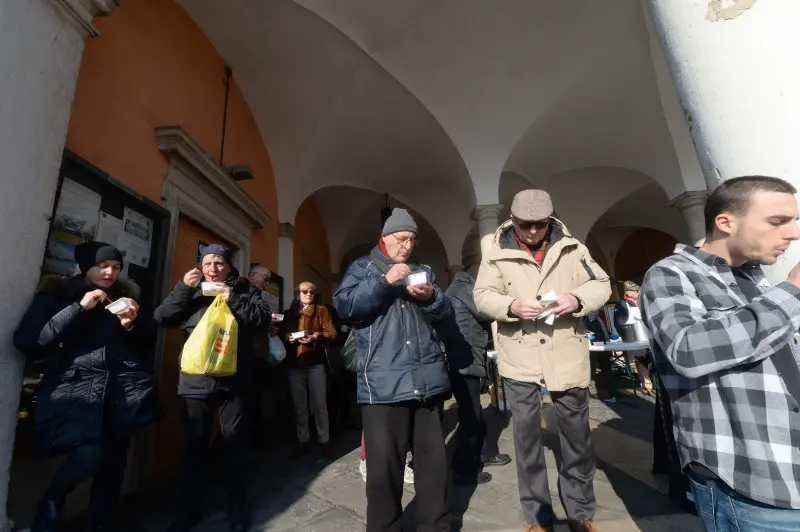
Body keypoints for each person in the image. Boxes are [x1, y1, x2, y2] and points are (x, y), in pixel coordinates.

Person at [639, 176, 800, 531]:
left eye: (794, 221)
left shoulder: (756, 277)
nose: (793, 234)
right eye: (777, 222)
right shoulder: (671, 274)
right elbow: (689, 349)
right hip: (751, 480)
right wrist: (793, 291)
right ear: (726, 222)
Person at [474, 190, 611, 532]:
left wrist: (576, 299)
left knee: (577, 440)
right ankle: (538, 518)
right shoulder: (496, 253)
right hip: (519, 358)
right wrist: (511, 306)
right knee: (527, 443)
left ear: (550, 219)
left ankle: (579, 510)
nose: (533, 231)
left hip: (567, 354)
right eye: (525, 225)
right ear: (513, 220)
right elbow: (482, 296)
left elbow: (601, 284)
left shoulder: (574, 248)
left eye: (540, 224)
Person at [14, 242, 160, 532]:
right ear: (85, 267)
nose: (109, 272)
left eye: (115, 267)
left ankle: (100, 524)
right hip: (77, 388)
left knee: (113, 466)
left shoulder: (124, 298)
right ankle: (52, 500)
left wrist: (131, 324)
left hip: (121, 392)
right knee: (89, 452)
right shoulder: (57, 294)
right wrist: (78, 308)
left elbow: (147, 343)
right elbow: (31, 341)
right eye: (102, 266)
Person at [334, 208, 452, 532]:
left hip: (426, 382)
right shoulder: (363, 267)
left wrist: (431, 297)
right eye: (401, 238)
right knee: (383, 474)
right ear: (384, 238)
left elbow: (445, 313)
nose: (407, 246)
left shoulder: (423, 270)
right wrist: (384, 281)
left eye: (412, 240)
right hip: (383, 385)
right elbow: (346, 306)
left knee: (433, 469)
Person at [155, 244, 270, 532]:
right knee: (195, 445)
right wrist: (183, 288)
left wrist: (234, 299)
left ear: (229, 266)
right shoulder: (191, 288)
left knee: (234, 443)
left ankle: (237, 508)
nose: (213, 268)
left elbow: (262, 320)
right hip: (196, 378)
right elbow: (163, 317)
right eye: (207, 263)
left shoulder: (245, 289)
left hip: (235, 377)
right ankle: (188, 510)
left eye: (219, 263)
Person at [439, 264, 512, 486]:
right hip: (464, 361)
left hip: (464, 359)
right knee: (471, 417)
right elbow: (487, 312)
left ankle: (484, 454)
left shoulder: (460, 286)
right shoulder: (465, 288)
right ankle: (464, 470)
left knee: (474, 414)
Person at [281, 281, 337, 457]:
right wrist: (287, 337)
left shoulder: (321, 310)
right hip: (295, 363)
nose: (308, 294)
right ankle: (302, 440)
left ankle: (324, 440)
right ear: (297, 294)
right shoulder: (289, 313)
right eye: (305, 291)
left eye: (312, 292)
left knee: (320, 404)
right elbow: (283, 334)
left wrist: (315, 336)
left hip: (315, 362)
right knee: (300, 405)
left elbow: (332, 333)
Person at [613, 280, 653, 395]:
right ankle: (645, 383)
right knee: (638, 358)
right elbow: (618, 322)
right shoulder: (622, 304)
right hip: (631, 334)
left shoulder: (641, 302)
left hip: (645, 333)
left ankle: (648, 382)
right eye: (636, 291)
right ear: (629, 293)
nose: (638, 293)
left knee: (649, 357)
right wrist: (626, 332)